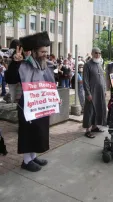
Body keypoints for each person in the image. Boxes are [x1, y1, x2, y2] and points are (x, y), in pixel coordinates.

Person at [5, 32, 55, 172]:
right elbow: (11, 79)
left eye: (46, 51)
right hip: (27, 106)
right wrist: (15, 62)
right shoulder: (22, 64)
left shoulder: (44, 65)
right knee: (28, 132)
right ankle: (26, 161)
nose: (45, 54)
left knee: (38, 131)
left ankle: (33, 157)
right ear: (33, 52)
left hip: (40, 106)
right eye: (42, 52)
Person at [82, 48, 107, 139]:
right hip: (92, 92)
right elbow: (85, 81)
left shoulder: (99, 64)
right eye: (96, 53)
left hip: (100, 93)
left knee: (98, 109)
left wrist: (104, 90)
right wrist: (88, 93)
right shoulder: (87, 65)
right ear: (92, 53)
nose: (98, 55)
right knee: (90, 111)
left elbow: (103, 79)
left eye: (99, 53)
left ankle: (94, 126)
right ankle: (87, 130)